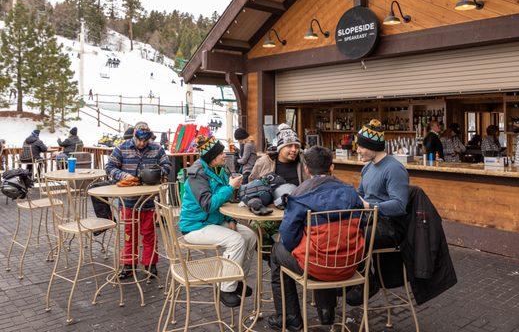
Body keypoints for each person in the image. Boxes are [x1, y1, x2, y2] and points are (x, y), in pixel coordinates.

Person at [267, 146, 365, 331]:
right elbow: (361, 226)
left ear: (306, 169)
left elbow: (288, 239)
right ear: (332, 167)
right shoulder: (351, 192)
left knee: (277, 252)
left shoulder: (299, 194)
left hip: (317, 268)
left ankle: (290, 318)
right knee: (324, 247)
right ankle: (326, 312)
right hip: (350, 264)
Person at [178, 134, 257, 308]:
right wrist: (230, 187)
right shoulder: (197, 174)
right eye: (221, 153)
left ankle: (236, 279)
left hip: (212, 221)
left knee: (250, 236)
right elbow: (208, 205)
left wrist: (229, 218)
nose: (224, 155)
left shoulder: (216, 170)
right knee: (236, 240)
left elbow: (222, 203)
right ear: (212, 156)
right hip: (195, 226)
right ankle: (226, 288)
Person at [346, 119, 410, 306]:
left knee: (354, 237)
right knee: (339, 231)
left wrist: (369, 207)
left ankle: (368, 281)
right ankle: (353, 279)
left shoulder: (394, 169)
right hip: (370, 220)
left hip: (390, 226)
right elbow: (362, 194)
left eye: (361, 147)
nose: (357, 150)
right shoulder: (367, 167)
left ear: (373, 146)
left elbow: (400, 205)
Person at [105, 121, 171, 279]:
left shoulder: (157, 148)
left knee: (149, 234)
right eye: (139, 140)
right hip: (128, 201)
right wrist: (122, 175)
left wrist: (157, 172)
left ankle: (150, 264)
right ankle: (129, 264)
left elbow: (167, 165)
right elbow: (109, 167)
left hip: (148, 201)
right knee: (129, 233)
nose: (142, 143)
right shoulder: (122, 148)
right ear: (134, 135)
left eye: (145, 140)